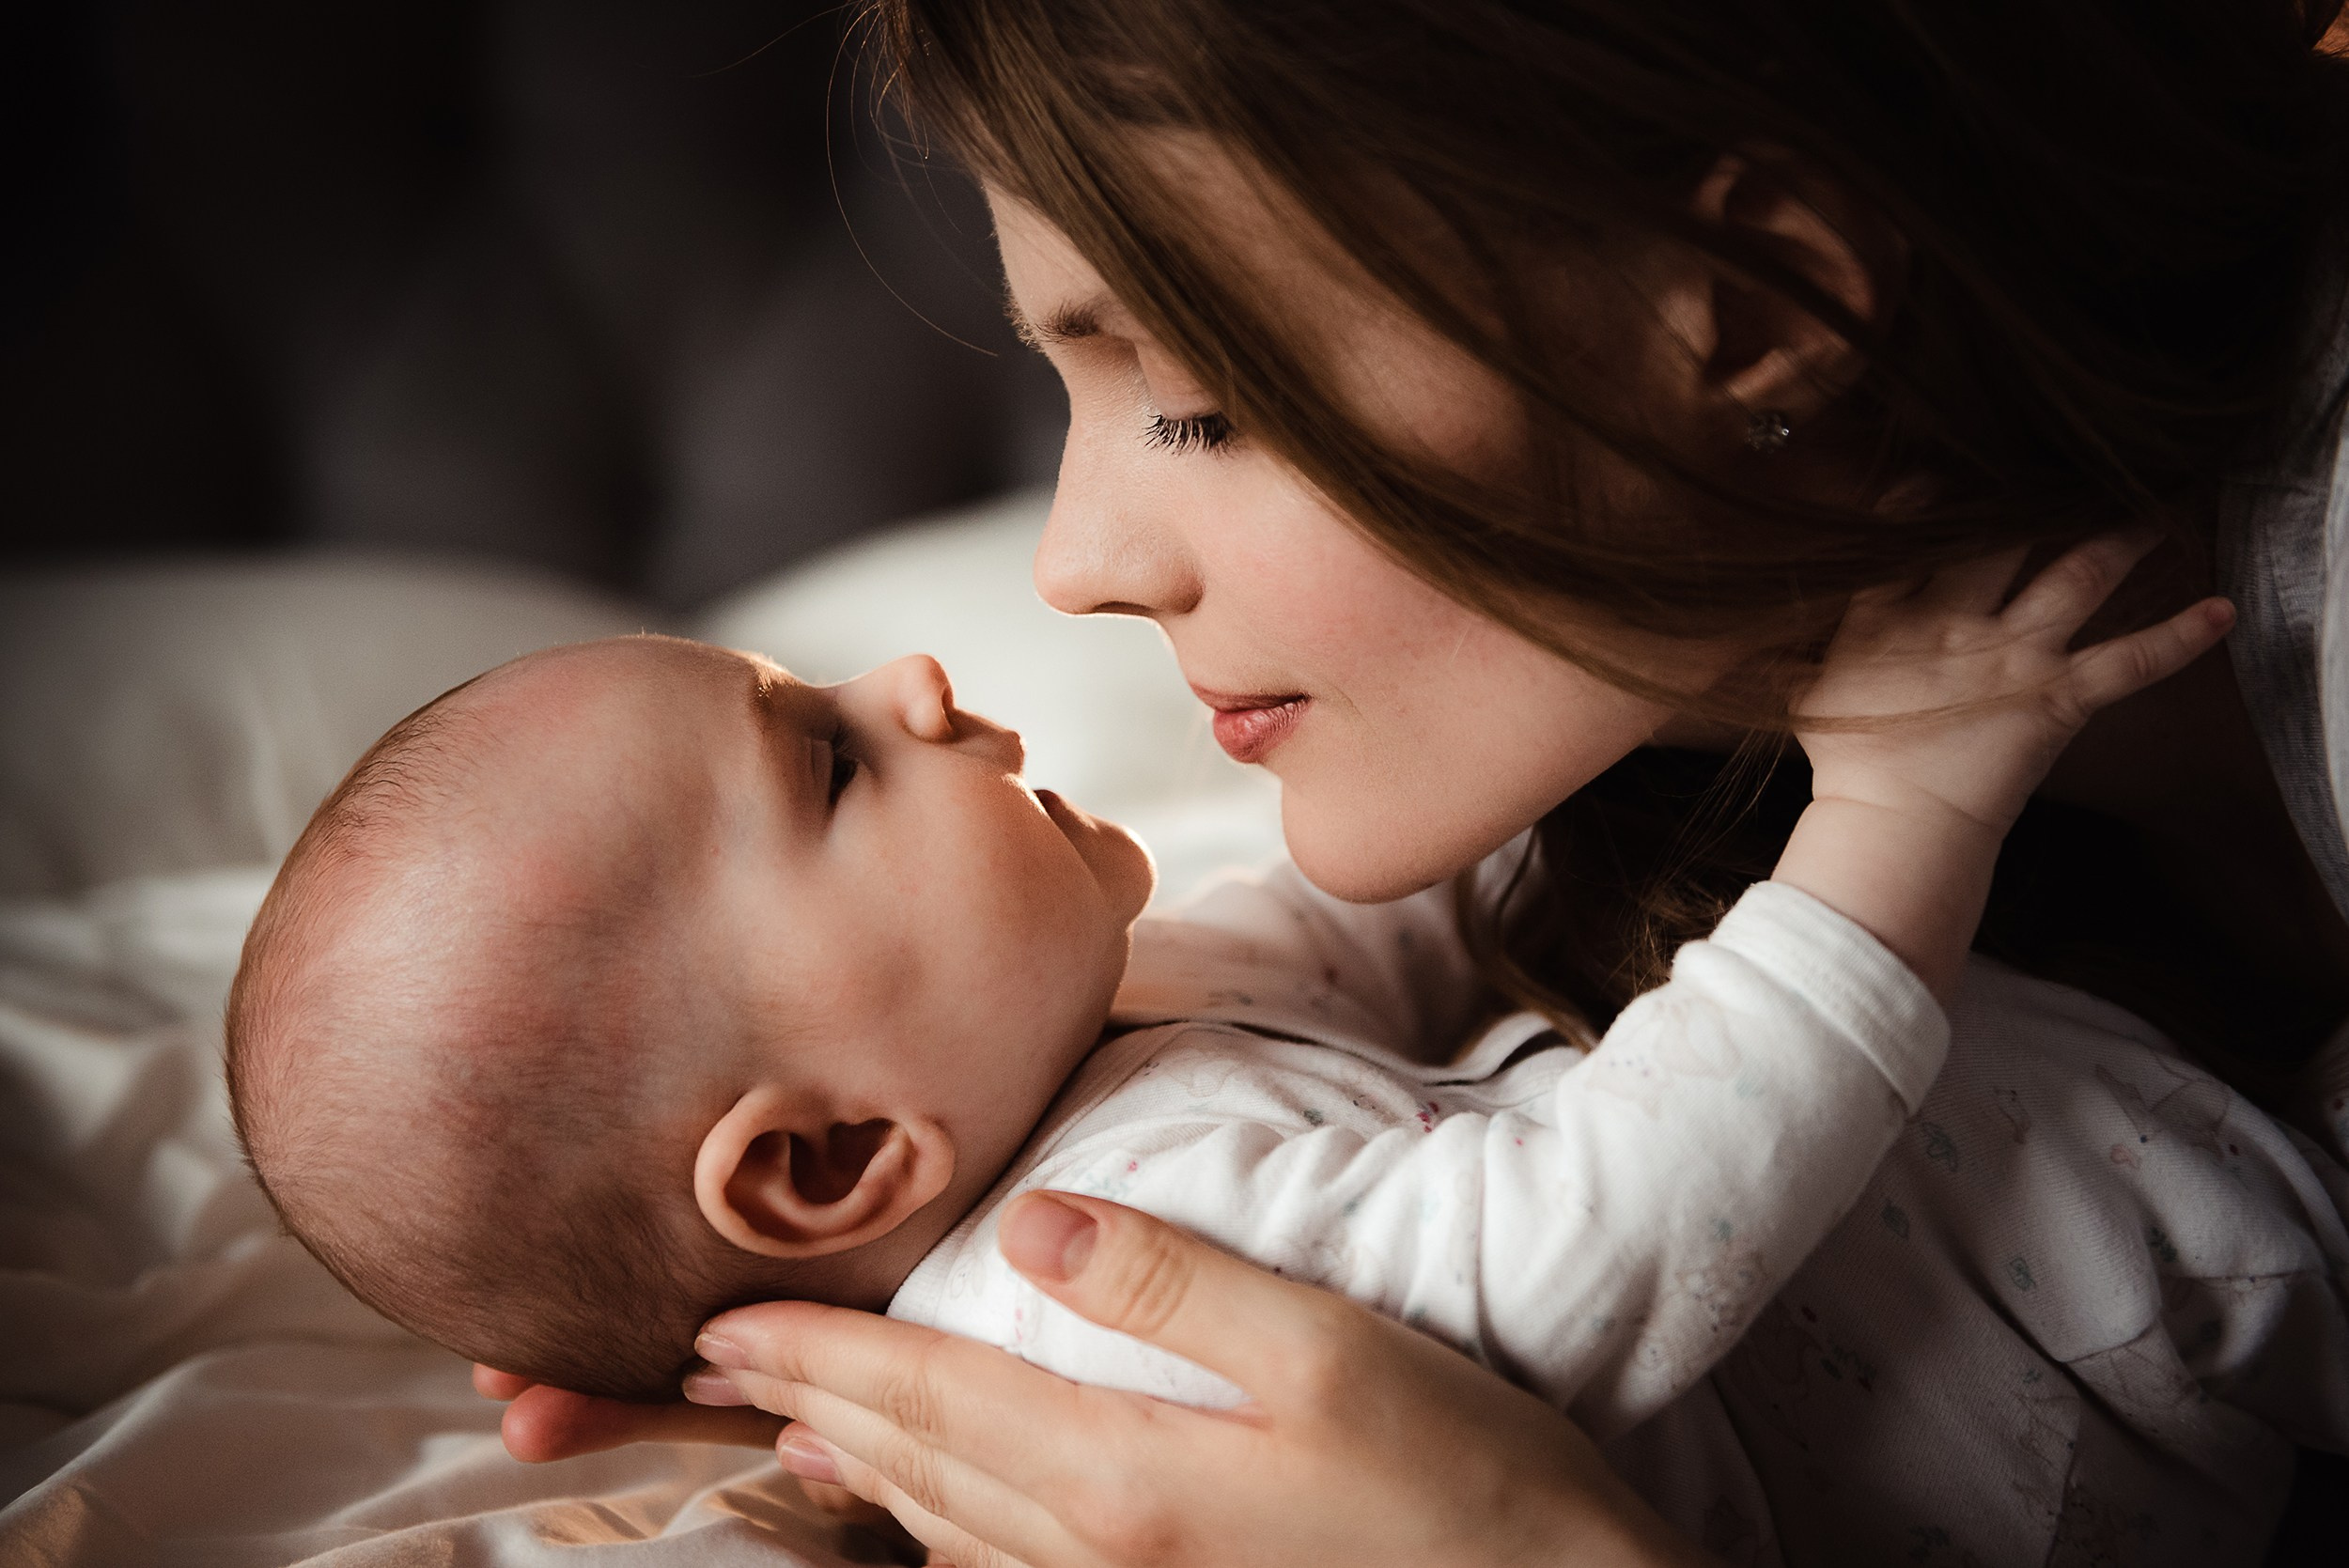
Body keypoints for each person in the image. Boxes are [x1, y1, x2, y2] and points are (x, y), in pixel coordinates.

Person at [478, 1, 2349, 1563]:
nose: (1073, 564)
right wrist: (813, 1309)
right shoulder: (1632, 811)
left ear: (1756, 304)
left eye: (1196, 404)